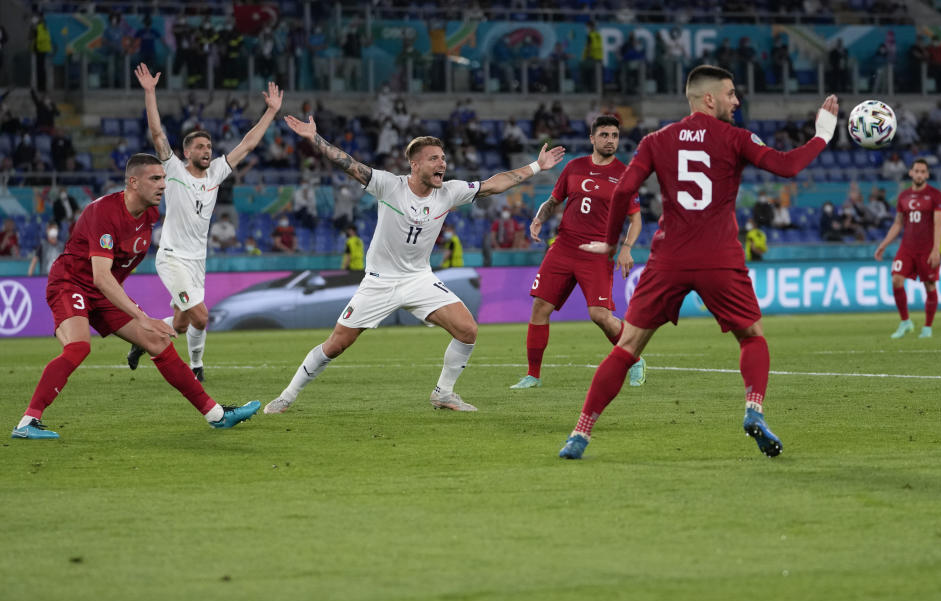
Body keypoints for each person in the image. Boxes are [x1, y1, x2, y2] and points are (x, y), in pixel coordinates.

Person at [559, 65, 839, 460]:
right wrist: (823, 135)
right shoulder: (736, 137)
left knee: (627, 347)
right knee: (752, 337)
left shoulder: (658, 140)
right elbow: (788, 166)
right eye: (730, 94)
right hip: (719, 257)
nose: (737, 101)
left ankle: (580, 434)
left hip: (669, 258)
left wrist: (610, 244)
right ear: (709, 98)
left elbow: (623, 190)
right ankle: (754, 409)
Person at [263, 119, 564, 415]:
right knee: (337, 344)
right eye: (434, 158)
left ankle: (443, 394)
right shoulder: (388, 185)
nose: (442, 163)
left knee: (467, 329)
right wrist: (315, 139)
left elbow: (495, 184)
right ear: (415, 164)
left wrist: (536, 166)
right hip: (380, 281)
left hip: (419, 279)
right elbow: (349, 163)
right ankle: (286, 397)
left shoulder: (450, 191)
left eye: (443, 158)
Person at [10, 154, 259, 440]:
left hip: (102, 289)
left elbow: (116, 272)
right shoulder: (102, 212)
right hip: (71, 282)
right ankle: (27, 422)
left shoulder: (150, 215)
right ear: (133, 182)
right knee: (79, 347)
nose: (163, 185)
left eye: (164, 178)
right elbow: (101, 276)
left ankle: (217, 415)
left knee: (157, 341)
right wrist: (142, 317)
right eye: (155, 179)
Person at [126, 63, 283, 382]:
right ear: (185, 152)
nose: (207, 150)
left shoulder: (216, 174)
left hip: (198, 261)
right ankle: (196, 367)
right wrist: (150, 92)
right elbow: (157, 133)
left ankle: (142, 337)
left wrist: (270, 112)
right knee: (202, 315)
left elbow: (248, 144)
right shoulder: (174, 170)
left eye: (209, 146)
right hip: (172, 258)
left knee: (182, 323)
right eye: (200, 146)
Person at [510, 115, 645, 390]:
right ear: (592, 138)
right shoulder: (574, 167)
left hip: (597, 251)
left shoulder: (624, 174)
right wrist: (538, 219)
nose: (610, 140)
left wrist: (627, 248)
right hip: (563, 246)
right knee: (540, 308)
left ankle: (635, 358)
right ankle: (532, 375)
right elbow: (552, 201)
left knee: (599, 315)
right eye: (604, 135)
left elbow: (636, 219)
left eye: (615, 136)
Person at [874, 159, 941, 340]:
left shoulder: (935, 195)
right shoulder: (903, 196)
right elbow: (898, 223)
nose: (920, 174)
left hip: (927, 249)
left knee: (929, 286)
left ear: (927, 175)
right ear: (911, 173)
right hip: (907, 247)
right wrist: (883, 244)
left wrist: (936, 250)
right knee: (896, 280)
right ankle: (905, 322)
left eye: (923, 171)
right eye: (917, 171)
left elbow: (938, 223)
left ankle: (927, 327)